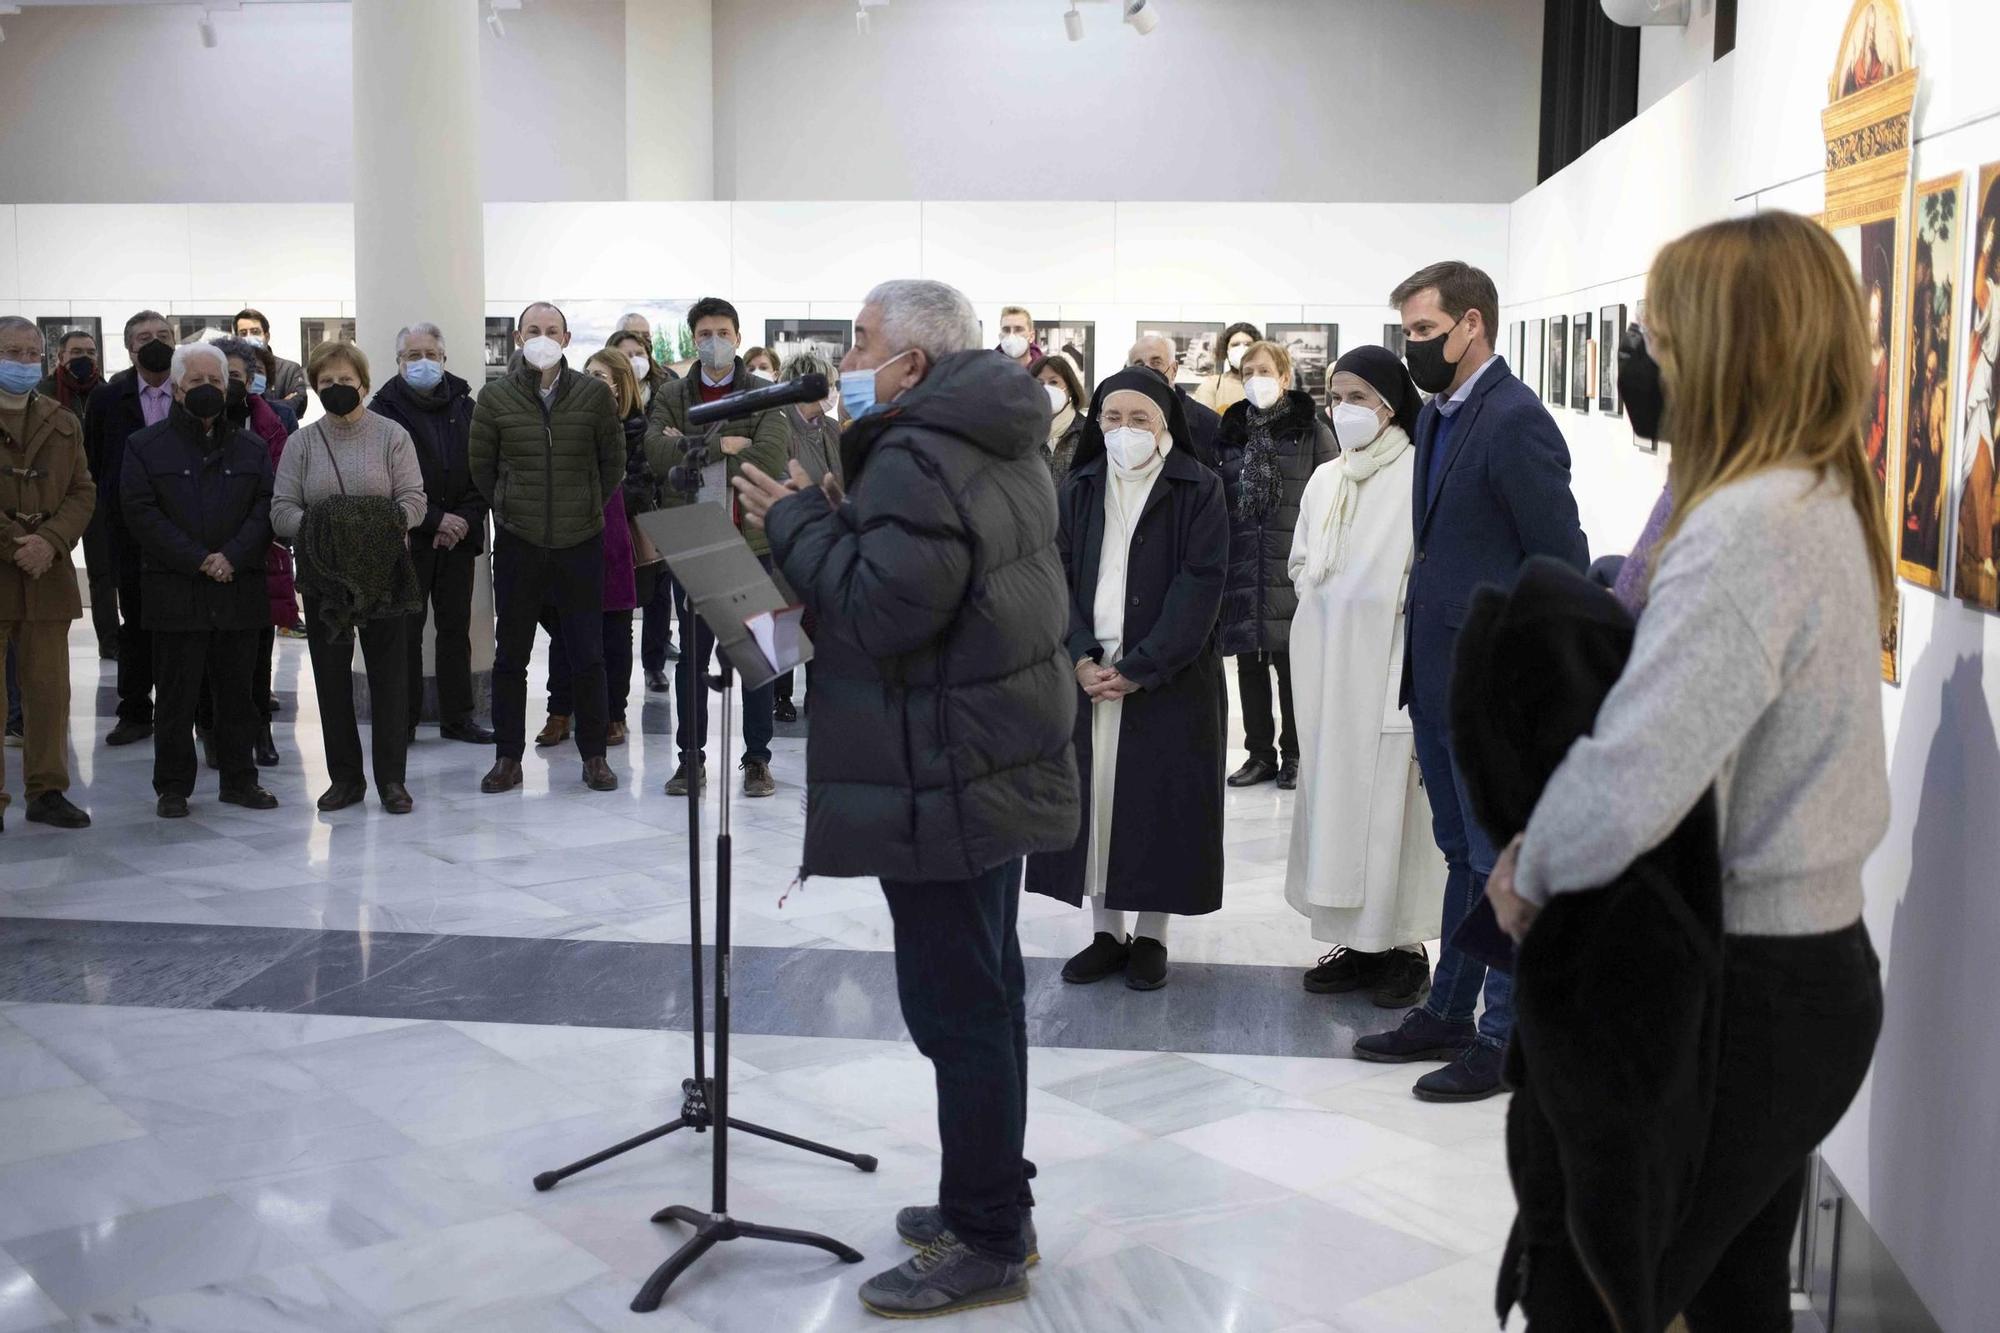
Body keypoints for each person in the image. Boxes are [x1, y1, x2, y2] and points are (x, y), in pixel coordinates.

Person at [1485, 211, 1890, 1330]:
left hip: (1746, 983)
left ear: (1723, 350)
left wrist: (1531, 865)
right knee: (1721, 1291)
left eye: (1659, 339)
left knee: (1601, 1285)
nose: (1643, 362)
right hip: (1791, 970)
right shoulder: (1802, 493)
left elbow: (1637, 765)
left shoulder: (1749, 523)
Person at [733, 277, 1075, 1320]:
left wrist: (796, 519)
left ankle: (982, 1235)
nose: (846, 352)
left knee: (957, 1007)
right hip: (981, 755)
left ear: (914, 363)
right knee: (986, 991)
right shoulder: (987, 434)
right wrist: (846, 516)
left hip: (942, 771)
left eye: (862, 338)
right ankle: (991, 1199)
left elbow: (882, 610)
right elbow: (935, 577)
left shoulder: (918, 453)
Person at [1352, 260, 1588, 1104]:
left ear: (1472, 326)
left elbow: (1559, 562)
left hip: (1495, 690)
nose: (1412, 348)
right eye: (1407, 333)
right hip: (1440, 680)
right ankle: (1448, 1012)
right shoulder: (1445, 418)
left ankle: (1504, 1037)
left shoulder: (1515, 421)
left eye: (1422, 333)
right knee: (1459, 855)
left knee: (1497, 863)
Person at [1025, 367, 1229, 992]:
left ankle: (1152, 936)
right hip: (1088, 674)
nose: (1124, 430)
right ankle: (1105, 931)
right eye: (1112, 418)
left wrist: (1141, 668)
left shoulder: (1200, 489)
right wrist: (1081, 653)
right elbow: (1053, 572)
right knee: (1096, 806)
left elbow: (1202, 585)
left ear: (1165, 425)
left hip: (1166, 674)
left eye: (1139, 419)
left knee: (1156, 806)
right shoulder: (1080, 484)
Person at [1284, 347, 1441, 1008]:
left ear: (1390, 404)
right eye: (1336, 396)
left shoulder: (1415, 472)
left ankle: (1401, 949)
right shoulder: (1326, 478)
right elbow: (1299, 559)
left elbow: (1425, 569)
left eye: (1359, 398)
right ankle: (1353, 941)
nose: (1344, 409)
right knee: (1334, 806)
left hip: (1385, 664)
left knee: (1389, 813)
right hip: (1326, 664)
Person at [469, 302, 624, 795]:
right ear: (518, 338)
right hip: (519, 543)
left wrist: (583, 507)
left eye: (551, 330)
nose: (542, 337)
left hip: (580, 542)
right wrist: (511, 507)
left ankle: (594, 756)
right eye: (533, 330)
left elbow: (612, 463)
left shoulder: (595, 396)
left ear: (567, 338)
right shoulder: (494, 399)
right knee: (510, 657)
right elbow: (482, 467)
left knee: (587, 654)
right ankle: (507, 759)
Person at [639, 296, 791, 799]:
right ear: (693, 338)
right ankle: (690, 759)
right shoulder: (671, 394)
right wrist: (724, 445)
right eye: (704, 333)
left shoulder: (767, 393)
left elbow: (769, 456)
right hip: (697, 536)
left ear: (738, 336)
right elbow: (656, 454)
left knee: (761, 655)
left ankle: (757, 760)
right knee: (692, 659)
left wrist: (689, 441)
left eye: (722, 331)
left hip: (755, 535)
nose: (713, 341)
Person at [120, 341, 280, 819]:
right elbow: (141, 513)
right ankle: (173, 787)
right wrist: (199, 559)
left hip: (238, 588)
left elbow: (265, 507)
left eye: (216, 381)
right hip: (176, 591)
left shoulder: (251, 446)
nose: (208, 389)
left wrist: (231, 556)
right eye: (196, 382)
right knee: (176, 696)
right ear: (176, 388)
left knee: (238, 697)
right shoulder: (144, 446)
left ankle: (239, 780)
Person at [272, 340, 427, 814]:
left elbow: (414, 502)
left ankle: (392, 782)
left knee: (390, 681)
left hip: (385, 575)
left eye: (345, 380)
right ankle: (345, 779)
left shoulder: (392, 436)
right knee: (332, 681)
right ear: (315, 388)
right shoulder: (301, 442)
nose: (337, 389)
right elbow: (281, 512)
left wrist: (368, 527)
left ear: (363, 382)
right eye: (326, 383)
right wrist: (330, 530)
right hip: (324, 579)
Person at [1216, 340, 1338, 791]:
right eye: (1248, 371)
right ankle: (1259, 754)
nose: (1256, 379)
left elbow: (1331, 494)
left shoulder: (1311, 431)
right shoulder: (1230, 432)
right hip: (1245, 559)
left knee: (1290, 666)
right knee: (1249, 665)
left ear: (1285, 377)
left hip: (1292, 563)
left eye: (1265, 370)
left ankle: (1294, 753)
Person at [369, 322, 495, 747]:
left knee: (455, 629)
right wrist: (434, 519)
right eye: (412, 356)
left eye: (430, 355)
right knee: (405, 630)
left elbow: (484, 472)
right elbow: (383, 481)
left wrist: (460, 520)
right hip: (407, 540)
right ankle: (401, 721)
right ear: (398, 362)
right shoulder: (382, 411)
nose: (422, 363)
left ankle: (457, 717)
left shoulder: (466, 406)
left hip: (458, 538)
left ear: (443, 359)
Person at [0, 316, 95, 832]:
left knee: (49, 692)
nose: (21, 362)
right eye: (11, 352)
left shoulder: (61, 420)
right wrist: (18, 542)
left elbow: (83, 491)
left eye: (30, 353)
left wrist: (51, 541)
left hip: (47, 577)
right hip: (4, 568)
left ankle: (47, 790)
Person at [85, 310, 179, 746]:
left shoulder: (190, 388)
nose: (155, 342)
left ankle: (194, 709)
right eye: (145, 337)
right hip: (128, 528)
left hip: (188, 524)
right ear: (129, 347)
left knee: (187, 622)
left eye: (163, 335)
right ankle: (136, 710)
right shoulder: (107, 398)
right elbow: (94, 460)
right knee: (135, 620)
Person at [537, 349, 640, 748]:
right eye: (588, 373)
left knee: (615, 635)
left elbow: (645, 481)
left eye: (602, 375)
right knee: (566, 634)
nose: (591, 381)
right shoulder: (567, 421)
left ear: (620, 385)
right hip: (570, 537)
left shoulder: (634, 426)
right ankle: (559, 712)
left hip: (616, 539)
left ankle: (614, 713)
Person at [208, 336, 293, 767]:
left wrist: (246, 543)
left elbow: (280, 486)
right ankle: (213, 732)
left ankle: (260, 731)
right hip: (205, 555)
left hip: (260, 552)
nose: (229, 385)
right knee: (209, 655)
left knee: (258, 654)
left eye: (238, 376)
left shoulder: (275, 420)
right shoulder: (192, 421)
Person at [771, 350, 843, 724]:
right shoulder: (780, 427)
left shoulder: (831, 429)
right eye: (825, 384)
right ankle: (779, 694)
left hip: (827, 541)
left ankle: (817, 693)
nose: (832, 392)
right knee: (785, 616)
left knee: (821, 622)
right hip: (790, 538)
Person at [36, 328, 117, 659]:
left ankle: (110, 642)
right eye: (76, 352)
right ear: (60, 357)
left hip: (96, 493)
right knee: (51, 566)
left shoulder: (108, 394)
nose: (84, 358)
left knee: (103, 572)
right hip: (52, 495)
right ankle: (47, 642)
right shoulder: (42, 394)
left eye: (90, 352)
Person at [1128, 334, 1222, 465]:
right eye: (1139, 364)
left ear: (1174, 369)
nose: (1147, 370)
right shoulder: (1117, 422)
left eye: (1156, 362)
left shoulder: (1210, 424)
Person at [232, 308, 307, 418]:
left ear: (267, 336)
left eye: (255, 332)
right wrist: (279, 405)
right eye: (243, 333)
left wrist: (257, 408)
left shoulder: (289, 369)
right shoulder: (230, 368)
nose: (249, 337)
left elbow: (299, 404)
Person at [1034, 353, 1086, 485]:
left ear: (1070, 388)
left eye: (1053, 382)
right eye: (1039, 383)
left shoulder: (1087, 432)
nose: (1046, 388)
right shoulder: (1024, 432)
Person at [1190, 321, 1261, 415]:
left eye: (1248, 344)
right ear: (1226, 350)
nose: (1242, 349)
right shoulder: (1212, 385)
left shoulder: (1267, 385)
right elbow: (1204, 424)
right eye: (1235, 345)